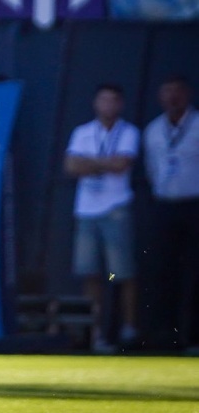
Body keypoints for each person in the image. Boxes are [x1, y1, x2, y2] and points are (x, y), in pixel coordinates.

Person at [63, 84, 140, 353]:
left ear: (120, 104)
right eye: (103, 100)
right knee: (90, 273)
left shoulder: (129, 132)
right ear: (96, 103)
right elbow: (71, 166)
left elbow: (122, 165)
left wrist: (90, 163)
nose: (108, 105)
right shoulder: (82, 132)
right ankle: (94, 333)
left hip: (116, 208)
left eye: (113, 100)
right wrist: (106, 163)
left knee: (122, 272)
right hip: (86, 211)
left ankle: (128, 328)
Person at [142, 75, 199, 351]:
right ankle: (164, 336)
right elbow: (152, 169)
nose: (173, 97)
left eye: (177, 91)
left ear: (187, 95)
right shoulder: (153, 130)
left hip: (195, 205)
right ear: (160, 97)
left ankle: (193, 336)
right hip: (164, 205)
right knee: (163, 271)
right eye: (168, 92)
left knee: (195, 272)